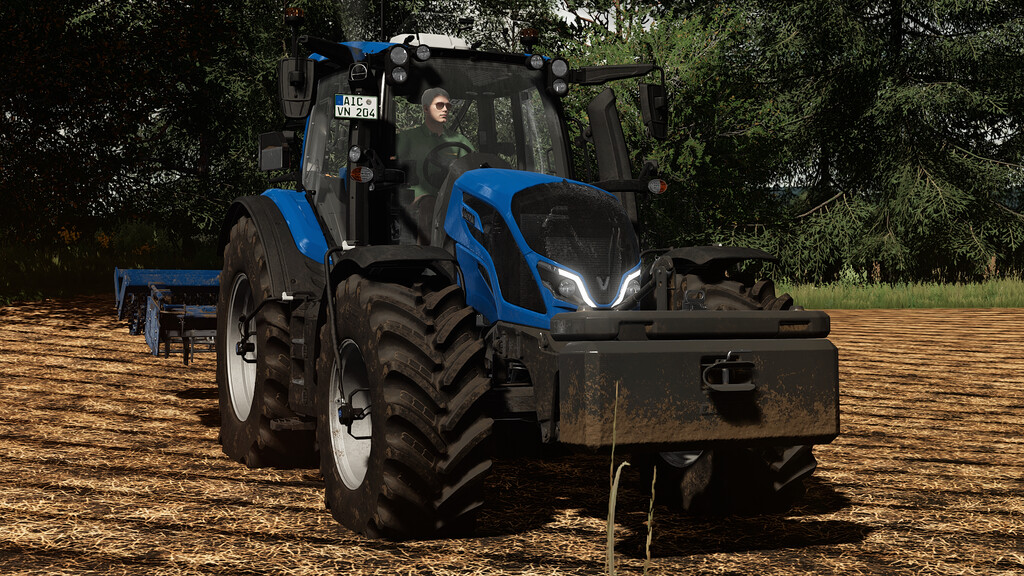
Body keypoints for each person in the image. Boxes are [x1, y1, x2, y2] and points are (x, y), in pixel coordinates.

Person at [396, 87, 473, 198]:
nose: (445, 109)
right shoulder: (406, 138)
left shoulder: (460, 140)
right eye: (440, 105)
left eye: (448, 106)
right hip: (416, 201)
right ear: (426, 109)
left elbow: (473, 168)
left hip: (451, 199)